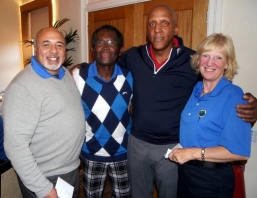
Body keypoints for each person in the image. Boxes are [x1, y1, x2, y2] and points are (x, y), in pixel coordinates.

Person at [70, 4, 257, 197]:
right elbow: (106, 59)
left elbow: (218, 86)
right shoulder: (133, 56)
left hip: (173, 148)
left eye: (164, 23)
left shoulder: (193, 61)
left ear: (175, 29)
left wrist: (251, 105)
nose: (157, 29)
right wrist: (81, 67)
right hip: (137, 145)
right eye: (152, 24)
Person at [3, 27, 86, 198]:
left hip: (69, 170)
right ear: (35, 49)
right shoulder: (22, 87)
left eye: (59, 45)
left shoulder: (64, 75)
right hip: (46, 177)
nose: (54, 51)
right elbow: (15, 147)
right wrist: (43, 189)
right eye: (46, 44)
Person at [169, 33, 251, 198]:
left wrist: (191, 153)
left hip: (212, 181)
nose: (209, 63)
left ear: (227, 63)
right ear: (198, 59)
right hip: (185, 175)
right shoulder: (196, 89)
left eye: (218, 57)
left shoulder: (233, 95)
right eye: (205, 55)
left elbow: (239, 153)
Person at [77, 25, 132, 197]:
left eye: (111, 42)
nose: (106, 46)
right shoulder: (78, 77)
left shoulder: (130, 76)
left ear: (120, 49)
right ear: (92, 48)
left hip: (123, 153)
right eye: (100, 42)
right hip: (91, 153)